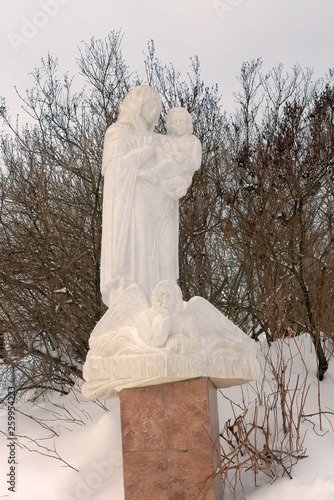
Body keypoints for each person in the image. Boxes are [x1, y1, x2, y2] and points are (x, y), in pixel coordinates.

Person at [156, 107, 202, 199]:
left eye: (181, 121)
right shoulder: (165, 140)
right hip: (163, 172)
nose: (178, 125)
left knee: (178, 181)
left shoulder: (193, 142)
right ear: (169, 124)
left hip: (182, 177)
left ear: (188, 123)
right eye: (174, 122)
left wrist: (183, 159)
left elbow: (196, 164)